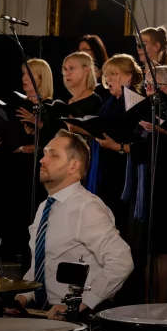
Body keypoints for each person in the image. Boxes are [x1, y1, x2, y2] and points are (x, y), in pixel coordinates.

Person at [17, 131, 133, 316]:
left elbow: (121, 261)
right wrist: (22, 297)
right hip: (45, 314)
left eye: (53, 155)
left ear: (73, 166)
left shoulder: (87, 207)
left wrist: (81, 304)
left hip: (76, 318)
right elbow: (43, 264)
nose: (43, 160)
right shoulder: (45, 207)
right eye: (44, 154)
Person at [122, 64, 167, 302]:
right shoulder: (145, 110)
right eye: (146, 84)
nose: (147, 89)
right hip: (144, 186)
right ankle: (148, 303)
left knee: (163, 249)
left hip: (165, 186)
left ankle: (163, 303)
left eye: (153, 85)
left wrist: (160, 131)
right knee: (148, 250)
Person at [84, 54, 143, 231]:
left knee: (117, 219)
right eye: (107, 75)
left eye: (113, 74)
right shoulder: (112, 100)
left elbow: (130, 134)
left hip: (121, 168)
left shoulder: (134, 101)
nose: (108, 79)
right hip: (106, 164)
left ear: (129, 76)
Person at [60, 52, 104, 116]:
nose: (66, 73)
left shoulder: (94, 101)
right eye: (65, 69)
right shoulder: (65, 98)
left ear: (86, 71)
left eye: (71, 68)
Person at [78, 35, 111, 100]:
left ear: (96, 51)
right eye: (79, 50)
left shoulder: (107, 72)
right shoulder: (77, 71)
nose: (80, 54)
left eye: (85, 50)